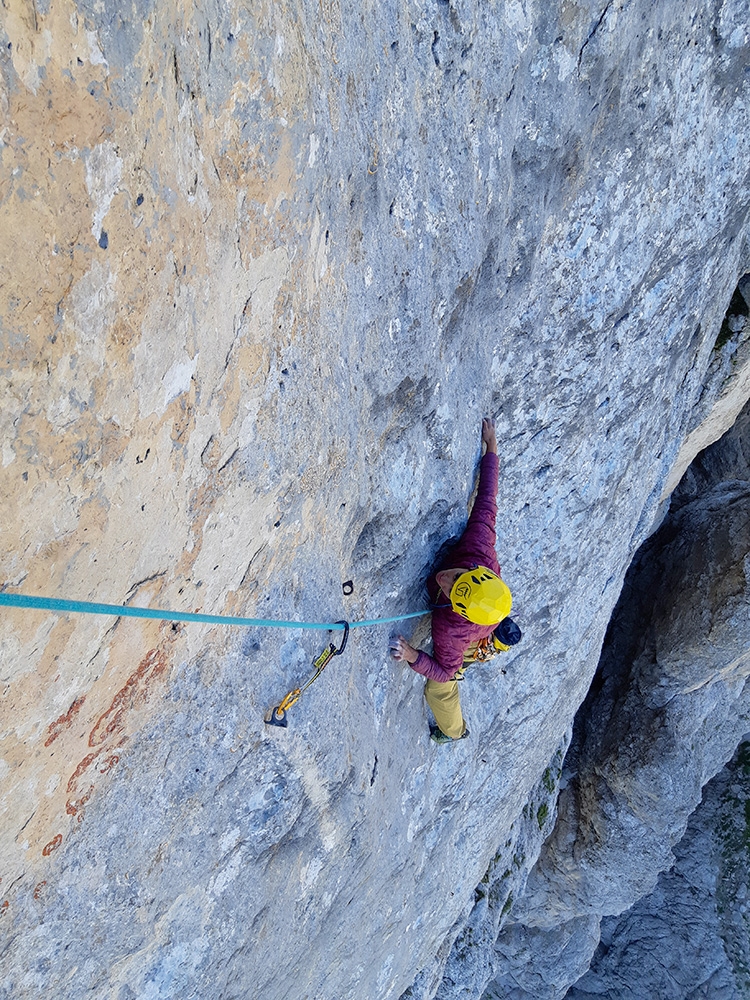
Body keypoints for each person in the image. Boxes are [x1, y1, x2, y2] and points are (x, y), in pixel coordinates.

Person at [389, 417, 518, 744]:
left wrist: (412, 656)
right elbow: (487, 502)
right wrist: (492, 448)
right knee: (473, 652)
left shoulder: (451, 629)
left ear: (458, 608)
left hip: (469, 637)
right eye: (458, 578)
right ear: (478, 572)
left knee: (440, 691)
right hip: (483, 621)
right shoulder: (480, 549)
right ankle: (493, 641)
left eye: (452, 591)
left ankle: (454, 731)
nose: (445, 579)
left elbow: (444, 671)